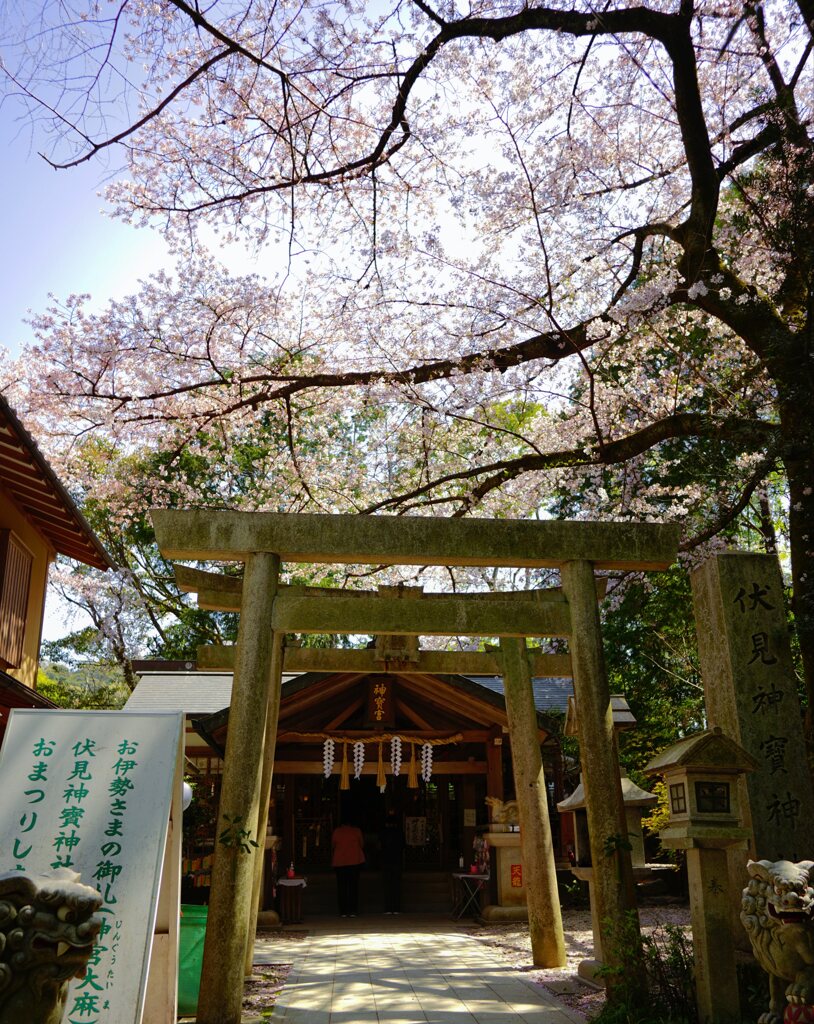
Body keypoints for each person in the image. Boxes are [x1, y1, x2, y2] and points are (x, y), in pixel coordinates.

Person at [331, 819, 365, 917]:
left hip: (340, 862)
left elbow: (333, 845)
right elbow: (361, 844)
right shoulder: (356, 831)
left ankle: (343, 911)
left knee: (341, 887)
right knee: (353, 887)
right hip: (354, 861)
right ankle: (353, 910)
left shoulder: (337, 831)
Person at [380, 812, 404, 914]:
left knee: (387, 885)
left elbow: (379, 845)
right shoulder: (399, 832)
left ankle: (388, 908)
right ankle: (396, 908)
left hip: (386, 861)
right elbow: (403, 846)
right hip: (397, 860)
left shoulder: (383, 832)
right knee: (396, 885)